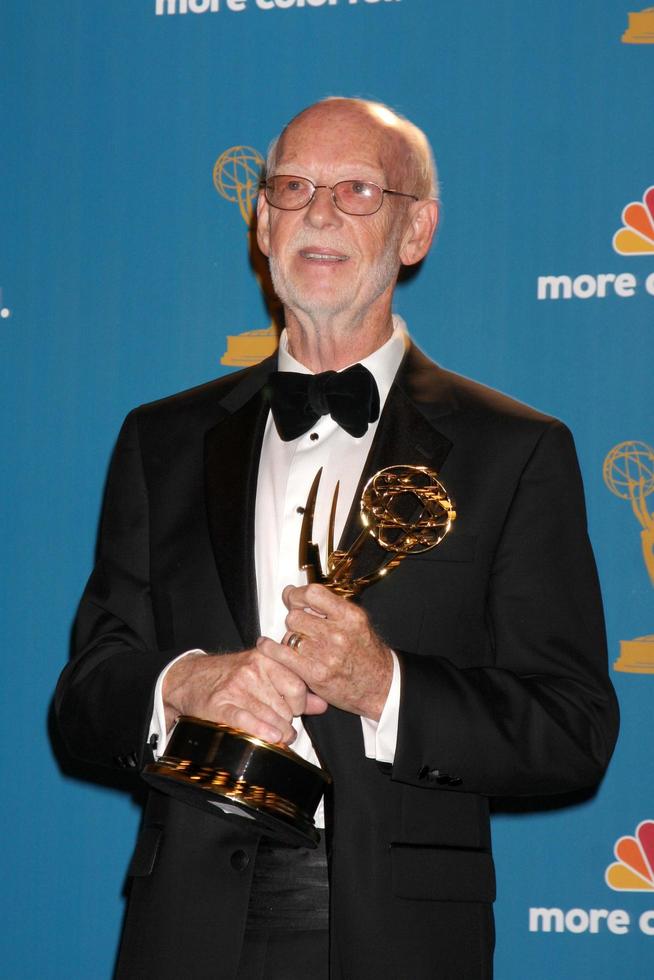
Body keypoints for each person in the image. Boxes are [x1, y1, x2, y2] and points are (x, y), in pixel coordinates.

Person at [55, 98, 618, 980]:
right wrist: (183, 686)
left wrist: (384, 686)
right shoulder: (159, 441)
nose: (318, 212)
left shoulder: (516, 451)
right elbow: (85, 697)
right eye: (293, 187)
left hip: (397, 939)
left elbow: (572, 728)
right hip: (184, 931)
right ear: (261, 221)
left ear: (415, 230)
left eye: (358, 190)